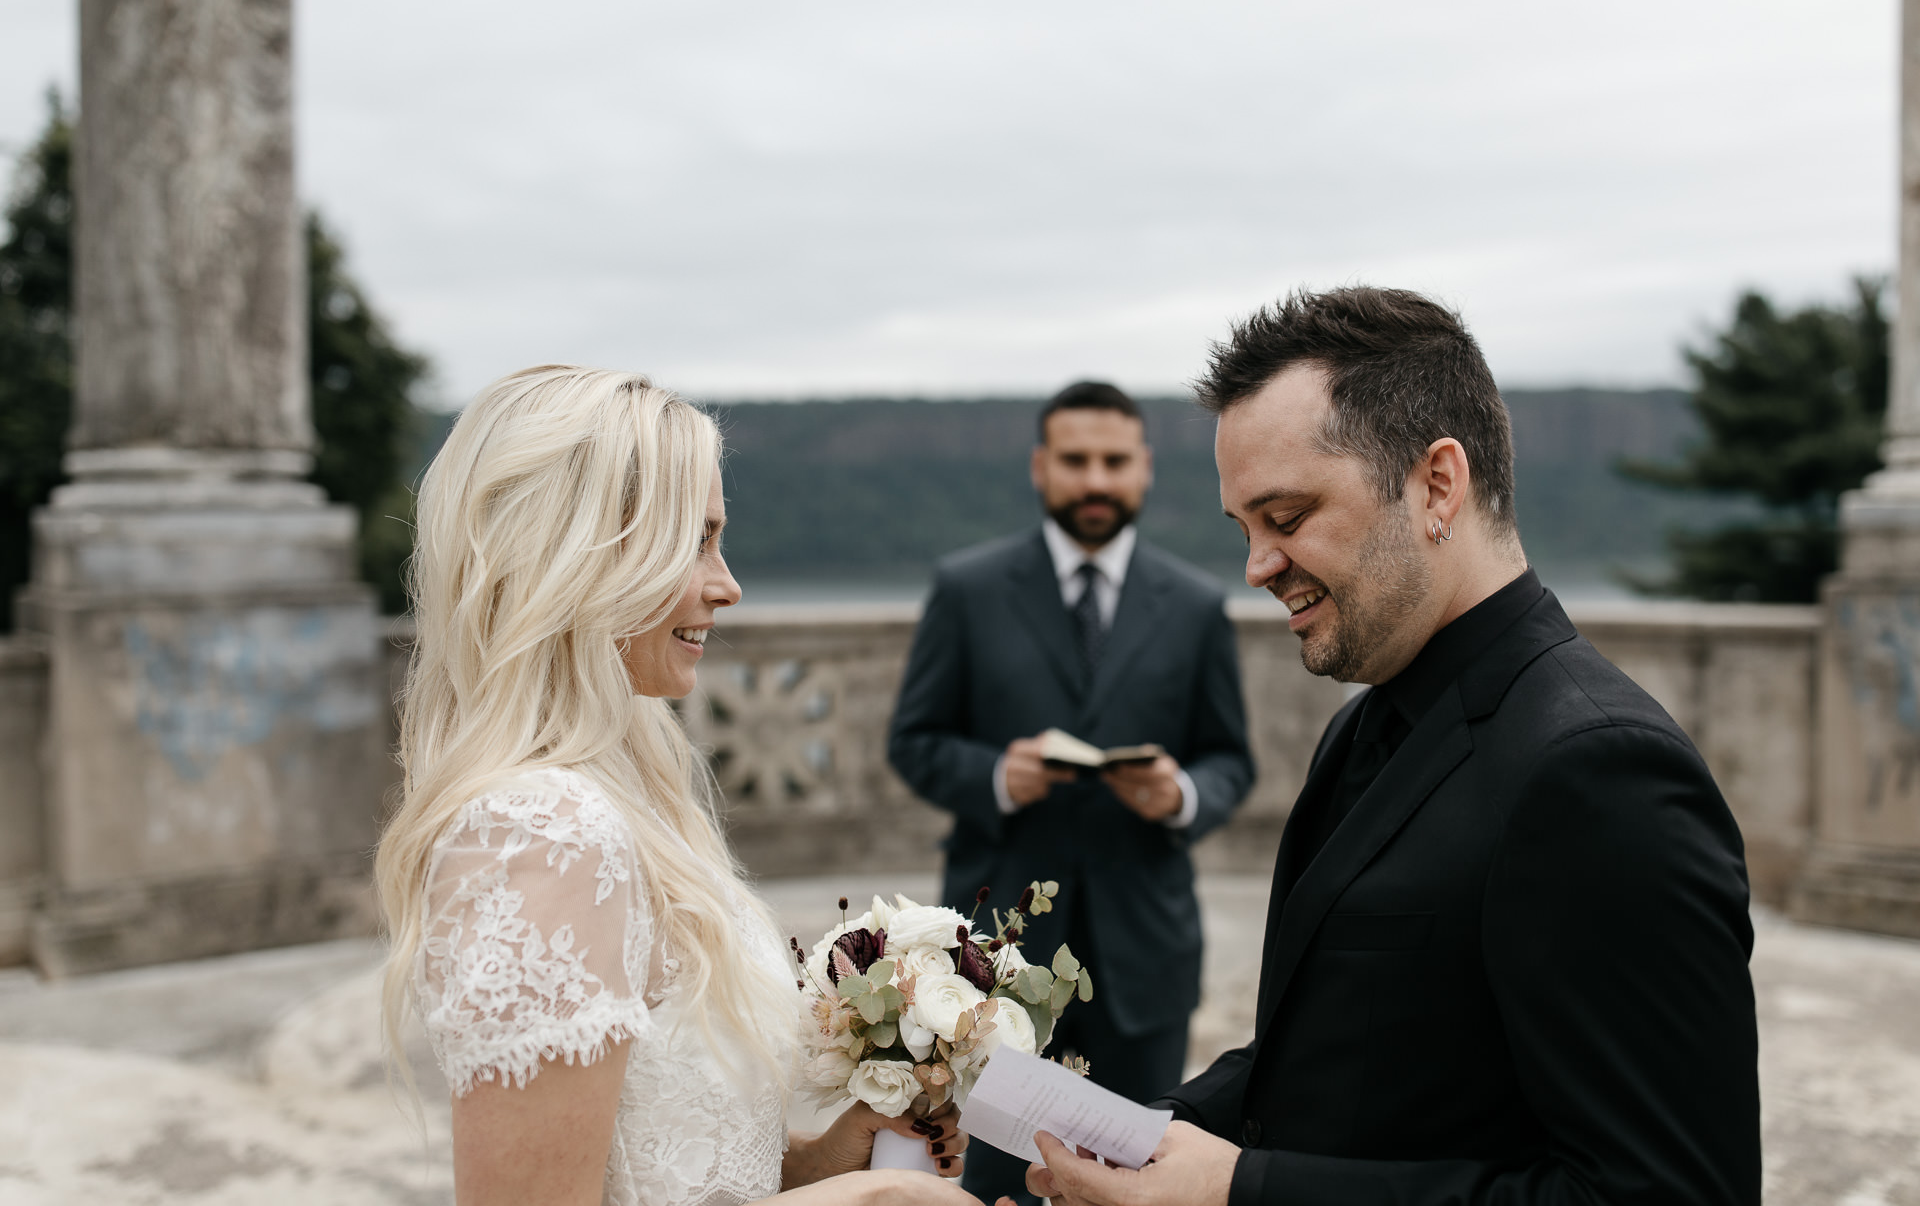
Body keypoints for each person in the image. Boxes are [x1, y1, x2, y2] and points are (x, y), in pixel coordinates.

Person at [1025, 288, 1761, 1205]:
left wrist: (1241, 1192)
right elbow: (1328, 1058)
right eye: (1245, 530)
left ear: (1436, 485)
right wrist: (1120, 1140)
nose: (1256, 567)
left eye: (1286, 519)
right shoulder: (1361, 724)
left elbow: (1670, 1197)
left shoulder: (1601, 774)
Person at [374, 366, 983, 1206]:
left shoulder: (626, 793)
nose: (727, 585)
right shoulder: (542, 831)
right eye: (695, 541)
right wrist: (879, 1203)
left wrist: (836, 1157)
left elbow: (688, 1169)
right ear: (577, 558)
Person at [888, 381, 1257, 1206]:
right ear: (1040, 467)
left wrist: (1181, 797)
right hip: (994, 960)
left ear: (1146, 470)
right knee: (987, 1180)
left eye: (1115, 462)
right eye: (1077, 461)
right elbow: (911, 743)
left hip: (1146, 951)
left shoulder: (1196, 606)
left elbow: (1230, 760)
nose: (1096, 480)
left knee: (1134, 1175)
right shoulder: (967, 588)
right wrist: (995, 777)